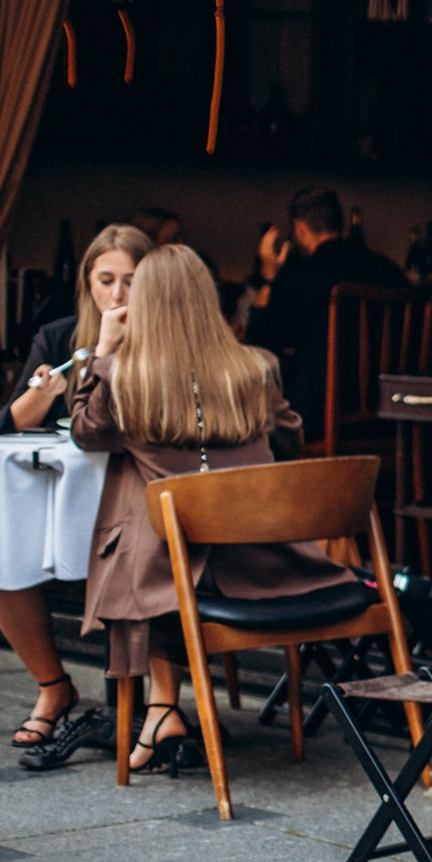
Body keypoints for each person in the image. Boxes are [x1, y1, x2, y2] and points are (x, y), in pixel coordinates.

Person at [70, 245, 352, 774]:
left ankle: (161, 709)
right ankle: (162, 710)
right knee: (153, 506)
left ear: (143, 305)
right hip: (267, 563)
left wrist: (101, 352)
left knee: (140, 506)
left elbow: (87, 432)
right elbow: (290, 439)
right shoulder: (256, 368)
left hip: (180, 576)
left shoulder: (126, 379)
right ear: (208, 300)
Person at [0, 225, 152, 748]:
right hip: (61, 490)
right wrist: (44, 395)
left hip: (129, 491)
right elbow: (5, 431)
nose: (117, 294)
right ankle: (53, 686)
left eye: (131, 281)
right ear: (87, 282)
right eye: (106, 280)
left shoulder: (166, 340)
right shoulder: (62, 336)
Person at [241, 186, 405, 427]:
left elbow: (256, 343)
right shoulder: (388, 271)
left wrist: (268, 276)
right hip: (391, 415)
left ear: (299, 227)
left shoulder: (300, 277)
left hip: (321, 419)